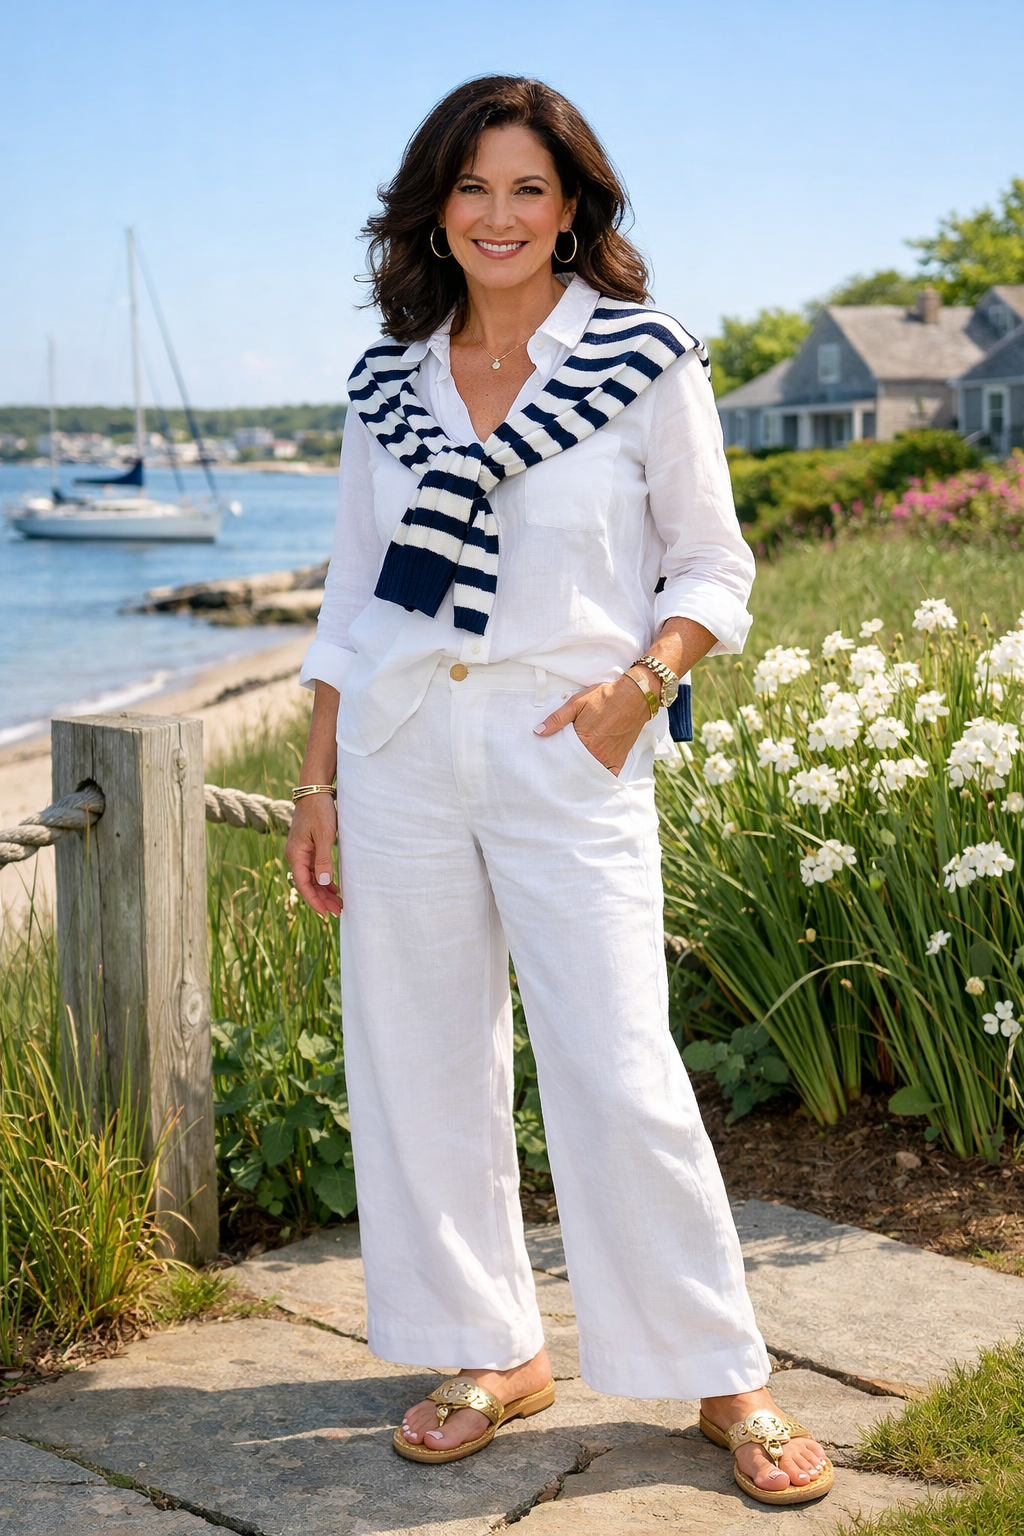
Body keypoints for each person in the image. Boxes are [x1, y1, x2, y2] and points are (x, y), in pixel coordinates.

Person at [286, 75, 832, 1507]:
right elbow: (353, 590)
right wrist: (318, 775)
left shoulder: (646, 360)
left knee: (619, 1063)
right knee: (418, 1063)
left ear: (575, 203)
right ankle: (489, 1346)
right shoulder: (386, 387)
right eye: (473, 188)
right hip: (403, 748)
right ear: (436, 210)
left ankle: (726, 1375)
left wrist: (635, 694)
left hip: (567, 748)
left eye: (529, 187)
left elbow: (712, 563)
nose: (500, 214)